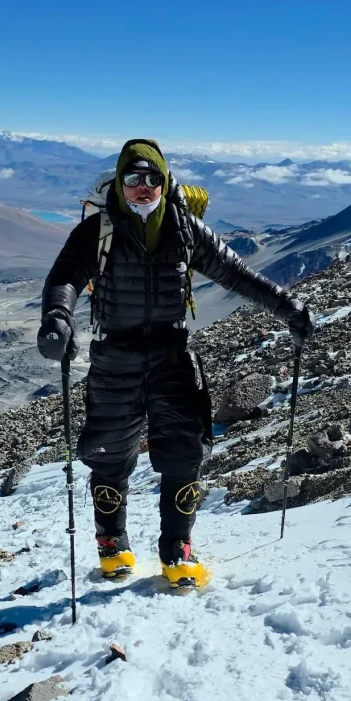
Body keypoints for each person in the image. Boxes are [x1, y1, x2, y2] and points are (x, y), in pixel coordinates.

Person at [37, 138, 313, 587]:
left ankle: (177, 549)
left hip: (172, 354)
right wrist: (57, 319)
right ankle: (112, 544)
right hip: (115, 357)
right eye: (133, 179)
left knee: (185, 453)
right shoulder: (98, 230)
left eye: (153, 179)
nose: (143, 188)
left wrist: (286, 308)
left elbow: (235, 273)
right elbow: (66, 276)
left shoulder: (185, 228)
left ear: (165, 183)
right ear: (120, 182)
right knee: (109, 455)